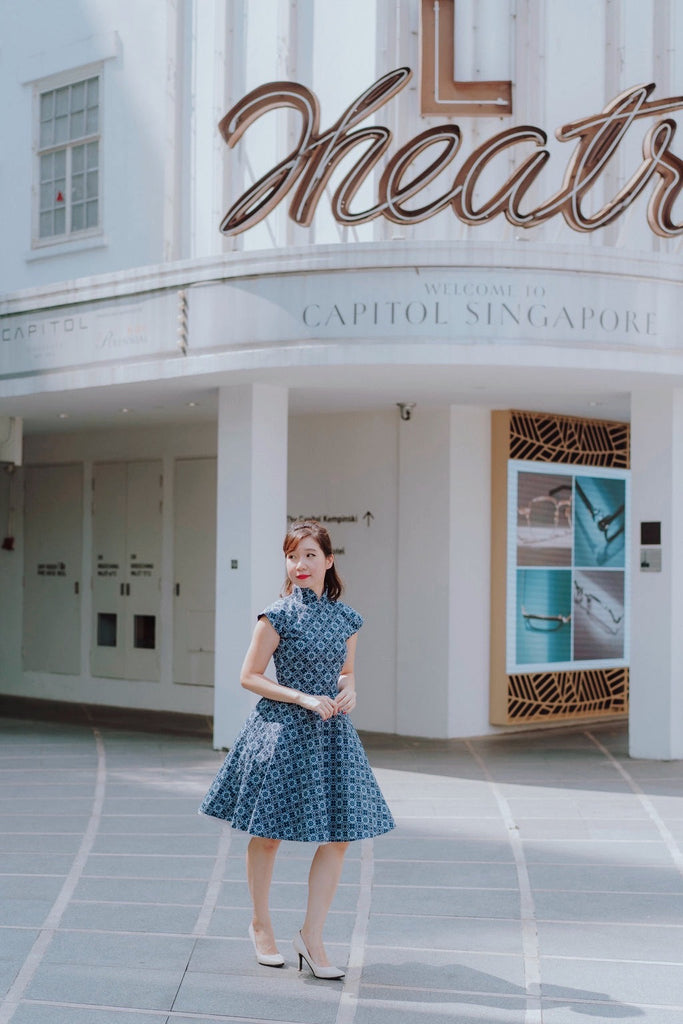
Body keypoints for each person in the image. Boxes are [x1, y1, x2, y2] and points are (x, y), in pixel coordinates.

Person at [199, 519, 394, 979]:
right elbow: (249, 676)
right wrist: (302, 696)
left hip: (331, 733)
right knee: (268, 833)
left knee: (340, 837)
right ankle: (260, 924)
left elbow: (345, 671)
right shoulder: (277, 615)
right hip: (282, 730)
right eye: (292, 556)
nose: (300, 565)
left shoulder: (347, 619)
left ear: (329, 561)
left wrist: (349, 690)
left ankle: (312, 936)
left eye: (310, 555)